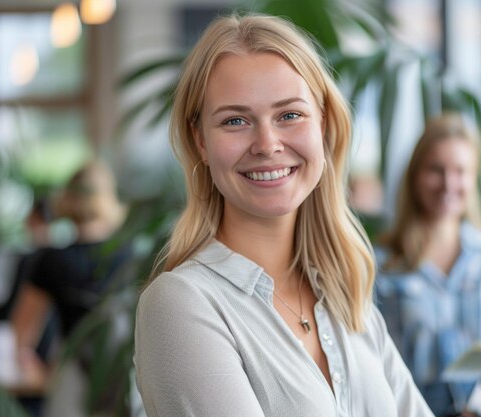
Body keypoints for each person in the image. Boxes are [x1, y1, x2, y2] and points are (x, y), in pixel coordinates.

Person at [134, 13, 434, 417]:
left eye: (289, 115)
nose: (266, 143)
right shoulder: (181, 304)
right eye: (235, 121)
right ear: (200, 140)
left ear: (323, 124)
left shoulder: (346, 298)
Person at [374, 113, 481, 416]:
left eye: (460, 171)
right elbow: (370, 362)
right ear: (415, 175)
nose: (449, 183)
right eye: (436, 170)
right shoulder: (381, 265)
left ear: (474, 179)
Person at [11, 159, 130, 417]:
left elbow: (23, 336)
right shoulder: (133, 258)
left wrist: (41, 372)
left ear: (67, 199)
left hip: (71, 378)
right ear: (108, 198)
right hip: (125, 378)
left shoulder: (51, 260)